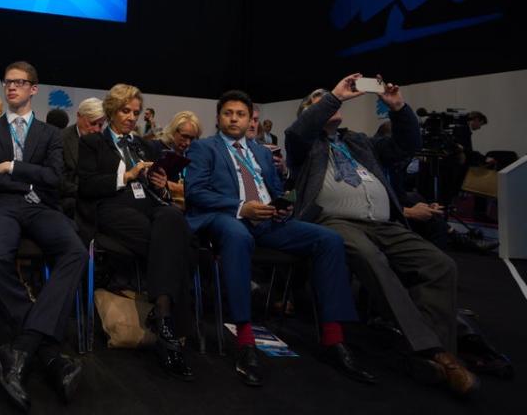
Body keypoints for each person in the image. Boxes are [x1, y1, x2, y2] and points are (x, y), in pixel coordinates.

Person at [285, 73, 478, 396]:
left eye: (327, 100)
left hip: (384, 224)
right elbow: (298, 130)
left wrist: (399, 108)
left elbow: (407, 145)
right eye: (318, 102)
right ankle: (438, 354)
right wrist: (334, 95)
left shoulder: (358, 141)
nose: (329, 103)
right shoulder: (304, 146)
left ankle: (429, 357)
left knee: (440, 265)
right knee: (371, 259)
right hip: (335, 222)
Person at [185, 90, 374, 387]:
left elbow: (276, 190)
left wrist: (281, 208)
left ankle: (334, 338)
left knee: (329, 240)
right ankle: (246, 342)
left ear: (250, 120)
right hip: (226, 218)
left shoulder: (262, 152)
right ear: (219, 118)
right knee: (237, 235)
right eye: (228, 113)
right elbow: (195, 191)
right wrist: (240, 207)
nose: (234, 118)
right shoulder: (204, 148)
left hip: (266, 221)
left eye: (241, 114)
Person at [0, 62, 86, 410]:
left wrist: (12, 167)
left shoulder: (50, 134)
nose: (11, 88)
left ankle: (20, 348)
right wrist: (25, 179)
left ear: (34, 89)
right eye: (7, 82)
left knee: (76, 252)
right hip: (1, 205)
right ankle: (48, 351)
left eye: (19, 83)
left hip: (41, 207)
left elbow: (55, 179)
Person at [77, 84, 194, 380]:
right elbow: (86, 186)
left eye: (136, 112)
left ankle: (163, 316)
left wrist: (160, 183)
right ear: (112, 111)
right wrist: (125, 176)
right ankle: (170, 326)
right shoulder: (93, 143)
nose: (131, 117)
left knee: (172, 217)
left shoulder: (147, 145)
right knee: (177, 245)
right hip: (111, 207)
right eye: (125, 111)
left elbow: (161, 191)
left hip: (148, 204)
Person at [59, 98, 105, 216]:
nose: (96, 129)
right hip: (70, 199)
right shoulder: (60, 139)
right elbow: (58, 180)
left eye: (100, 125)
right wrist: (87, 191)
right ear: (79, 116)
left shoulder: (103, 141)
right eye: (92, 123)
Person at [155, 111, 202, 210]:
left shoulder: (196, 156)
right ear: (173, 131)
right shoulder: (157, 150)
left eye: (192, 138)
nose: (188, 143)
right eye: (184, 136)